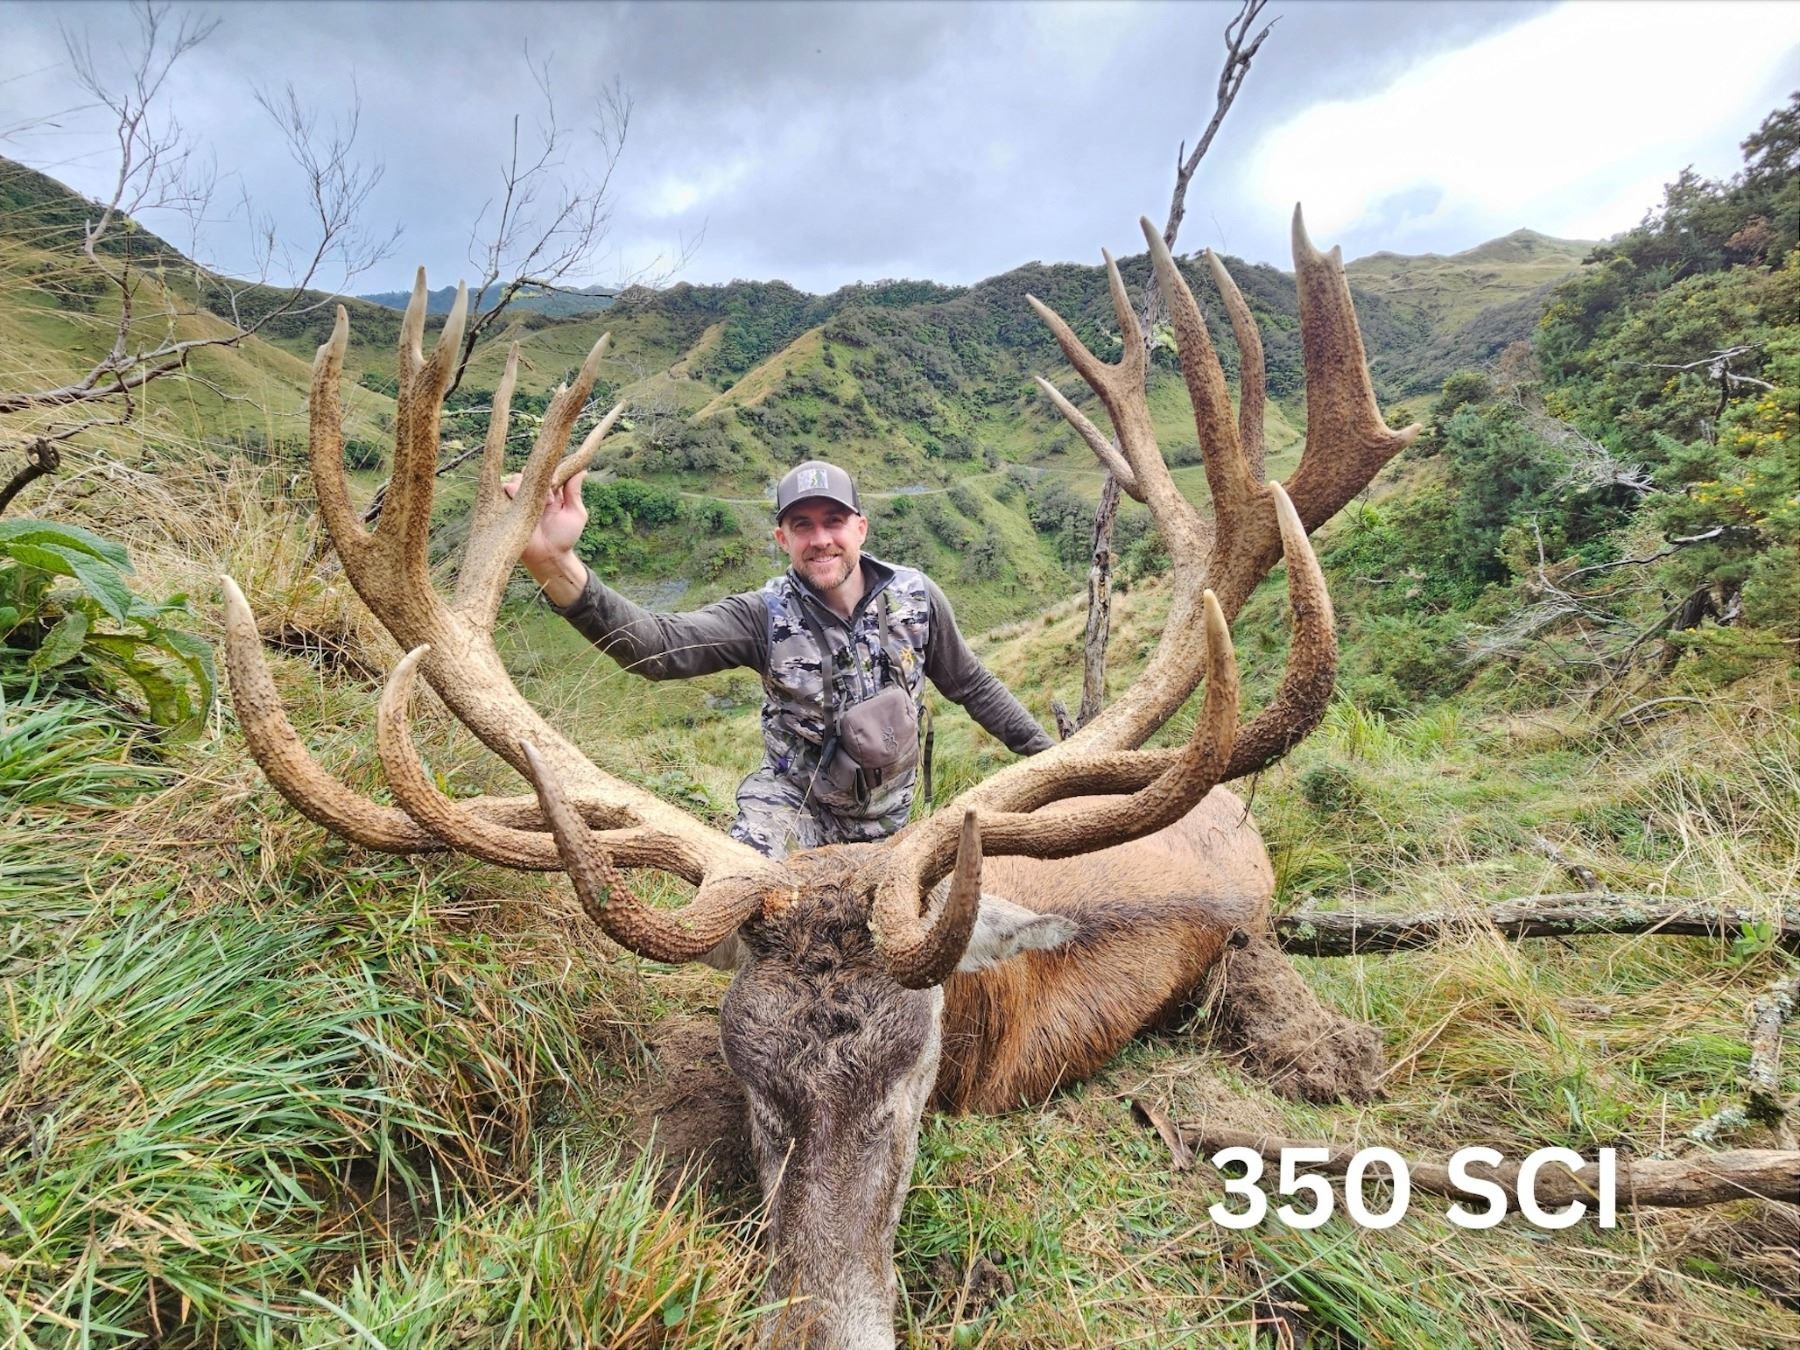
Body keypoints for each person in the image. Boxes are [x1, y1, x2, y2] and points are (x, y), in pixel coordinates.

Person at [510, 459, 1054, 859]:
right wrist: (555, 562)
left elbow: (972, 685)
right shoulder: (761, 616)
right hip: (795, 808)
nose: (821, 539)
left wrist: (1054, 762)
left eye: (834, 521)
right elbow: (656, 648)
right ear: (782, 538)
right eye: (802, 526)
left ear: (860, 527)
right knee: (748, 887)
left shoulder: (915, 597)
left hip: (894, 820)